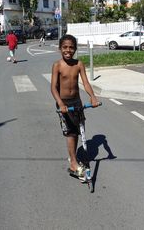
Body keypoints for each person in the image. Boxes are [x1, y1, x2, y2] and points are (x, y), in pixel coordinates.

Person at [51, 34, 99, 179]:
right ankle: (73, 163)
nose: (68, 50)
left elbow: (85, 83)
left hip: (76, 102)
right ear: (60, 49)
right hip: (64, 103)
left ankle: (73, 158)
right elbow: (53, 87)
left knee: (78, 130)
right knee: (70, 133)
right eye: (65, 47)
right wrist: (60, 103)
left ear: (75, 49)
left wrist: (92, 96)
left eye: (71, 47)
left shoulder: (79, 64)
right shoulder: (57, 65)